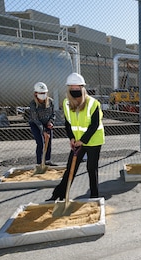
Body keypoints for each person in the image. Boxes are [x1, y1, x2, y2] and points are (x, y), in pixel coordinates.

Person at [46, 73, 105, 201]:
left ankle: (94, 196)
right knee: (70, 168)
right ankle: (59, 195)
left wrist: (82, 141)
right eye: (72, 89)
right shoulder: (66, 103)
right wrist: (71, 138)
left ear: (82, 88)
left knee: (91, 168)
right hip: (77, 141)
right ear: (68, 89)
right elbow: (68, 123)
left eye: (77, 88)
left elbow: (94, 125)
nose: (75, 91)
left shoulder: (93, 103)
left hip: (93, 140)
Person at [29, 82, 55, 166]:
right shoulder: (33, 104)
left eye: (44, 93)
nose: (43, 95)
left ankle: (47, 160)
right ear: (36, 93)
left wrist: (51, 122)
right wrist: (43, 131)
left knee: (49, 142)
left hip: (47, 123)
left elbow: (53, 114)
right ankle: (39, 163)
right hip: (36, 125)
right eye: (40, 93)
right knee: (40, 142)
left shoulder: (50, 101)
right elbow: (35, 119)